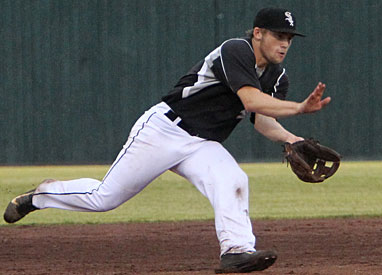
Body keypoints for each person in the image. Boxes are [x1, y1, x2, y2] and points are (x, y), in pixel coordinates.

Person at [4, 7, 330, 273]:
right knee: (104, 198)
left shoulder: (278, 76)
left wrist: (291, 139)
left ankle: (236, 251)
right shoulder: (236, 50)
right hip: (164, 130)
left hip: (202, 143)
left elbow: (262, 119)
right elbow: (250, 101)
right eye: (278, 35)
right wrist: (300, 108)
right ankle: (43, 195)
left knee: (233, 179)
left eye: (289, 37)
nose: (284, 43)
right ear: (258, 33)